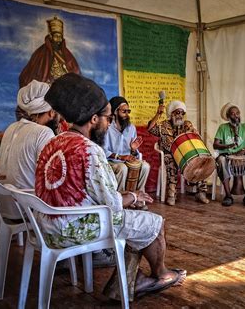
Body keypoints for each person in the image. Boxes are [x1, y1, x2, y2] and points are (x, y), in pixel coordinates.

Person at [34, 73, 186, 299]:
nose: (108, 123)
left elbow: (77, 190)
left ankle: (127, 281)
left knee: (133, 219)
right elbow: (112, 204)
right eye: (106, 118)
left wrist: (126, 197)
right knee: (154, 221)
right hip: (75, 230)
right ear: (94, 119)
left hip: (46, 227)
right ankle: (161, 274)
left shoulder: (53, 142)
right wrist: (133, 197)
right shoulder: (89, 149)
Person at [0, 80, 58, 218]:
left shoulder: (11, 128)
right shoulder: (44, 133)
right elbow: (50, 175)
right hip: (26, 208)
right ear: (51, 112)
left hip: (2, 204)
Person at [17, 16, 81, 121]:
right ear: (50, 36)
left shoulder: (67, 55)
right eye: (56, 36)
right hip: (47, 100)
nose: (58, 40)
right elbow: (27, 76)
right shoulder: (40, 54)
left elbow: (75, 74)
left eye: (60, 37)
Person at [147, 100, 210, 206]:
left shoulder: (187, 124)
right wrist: (158, 114)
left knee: (199, 160)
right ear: (171, 114)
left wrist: (195, 133)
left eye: (182, 113)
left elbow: (193, 138)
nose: (180, 115)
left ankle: (201, 192)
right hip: (169, 154)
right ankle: (171, 194)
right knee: (171, 162)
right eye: (177, 112)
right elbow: (150, 128)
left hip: (185, 154)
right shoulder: (164, 125)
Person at [213, 103, 245, 207]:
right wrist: (227, 146)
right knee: (221, 161)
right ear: (228, 116)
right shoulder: (222, 128)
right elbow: (215, 145)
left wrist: (243, 150)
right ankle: (228, 196)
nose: (236, 116)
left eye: (237, 113)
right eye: (233, 114)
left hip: (242, 155)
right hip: (226, 155)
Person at [103, 96, 150, 192]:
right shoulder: (107, 128)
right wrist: (120, 157)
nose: (127, 114)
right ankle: (121, 198)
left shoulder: (131, 128)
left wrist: (133, 149)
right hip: (111, 161)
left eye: (128, 111)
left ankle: (139, 195)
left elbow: (134, 153)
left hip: (127, 160)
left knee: (145, 166)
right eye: (124, 111)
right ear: (115, 111)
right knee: (122, 168)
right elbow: (103, 150)